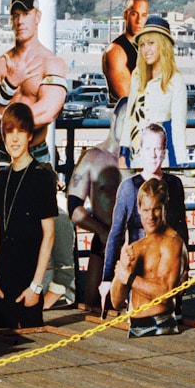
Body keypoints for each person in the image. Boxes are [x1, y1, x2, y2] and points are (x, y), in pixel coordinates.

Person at [0, 103, 57, 330]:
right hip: (2, 285)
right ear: (3, 137)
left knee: (33, 347)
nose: (15, 139)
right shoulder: (0, 179)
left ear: (30, 136)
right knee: (1, 349)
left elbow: (49, 235)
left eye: (20, 131)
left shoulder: (42, 177)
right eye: (9, 132)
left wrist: (36, 287)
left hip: (29, 282)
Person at [0, 0, 68, 165]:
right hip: (4, 154)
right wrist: (10, 83)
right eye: (15, 15)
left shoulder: (51, 63)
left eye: (26, 14)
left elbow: (48, 112)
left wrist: (5, 123)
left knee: (37, 192)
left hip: (36, 153)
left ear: (38, 16)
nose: (20, 21)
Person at [103, 123, 188, 295]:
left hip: (167, 269)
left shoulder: (175, 184)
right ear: (140, 151)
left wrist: (186, 268)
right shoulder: (129, 188)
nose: (153, 154)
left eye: (158, 148)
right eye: (148, 148)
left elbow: (182, 229)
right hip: (138, 269)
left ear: (164, 152)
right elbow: (116, 234)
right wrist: (106, 278)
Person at [109, 178, 189, 337]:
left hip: (161, 325)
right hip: (135, 327)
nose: (150, 216)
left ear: (164, 207)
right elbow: (117, 302)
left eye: (156, 209)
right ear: (138, 209)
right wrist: (121, 274)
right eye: (145, 210)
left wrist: (130, 278)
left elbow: (166, 293)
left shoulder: (173, 243)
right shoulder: (136, 247)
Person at [66, 100, 126, 309]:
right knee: (93, 307)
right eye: (125, 120)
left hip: (133, 245)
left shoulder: (140, 160)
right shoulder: (93, 158)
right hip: (102, 241)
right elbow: (73, 207)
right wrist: (101, 231)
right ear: (114, 119)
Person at [121, 16, 187, 167]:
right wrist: (123, 153)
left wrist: (181, 162)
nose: (146, 50)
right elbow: (129, 118)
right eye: (143, 45)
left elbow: (178, 126)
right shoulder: (137, 76)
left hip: (161, 159)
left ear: (163, 46)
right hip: (136, 157)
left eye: (151, 43)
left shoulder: (175, 81)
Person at [103, 0, 149, 106]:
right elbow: (126, 97)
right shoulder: (116, 51)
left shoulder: (144, 48)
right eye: (134, 14)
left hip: (146, 118)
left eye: (143, 15)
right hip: (126, 119)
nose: (139, 21)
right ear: (126, 15)